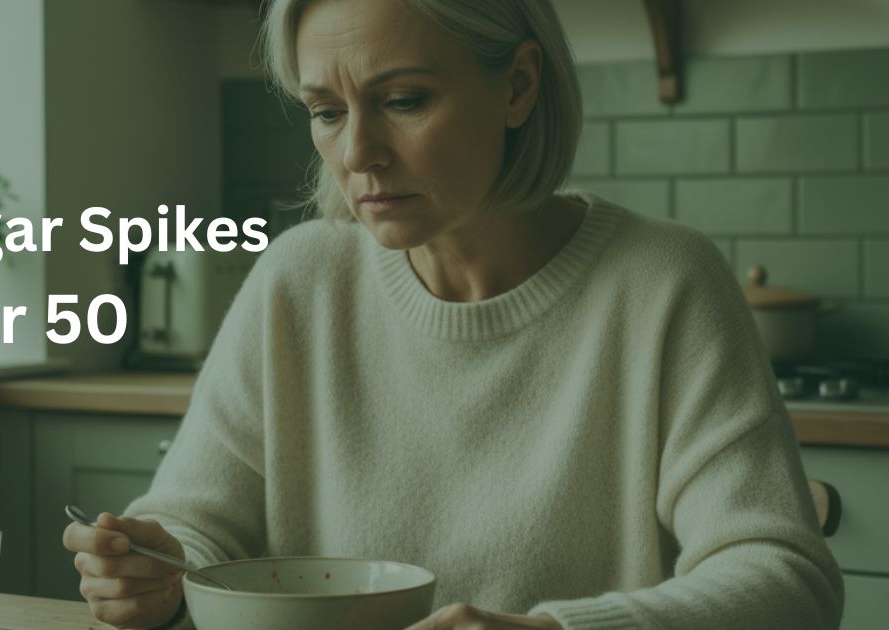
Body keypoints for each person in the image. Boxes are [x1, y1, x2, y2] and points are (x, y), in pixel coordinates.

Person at [63, 0, 845, 628]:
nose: (359, 152)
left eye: (403, 100)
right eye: (326, 111)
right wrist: (150, 570)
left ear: (518, 86)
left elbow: (786, 580)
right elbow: (194, 525)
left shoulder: (664, 284)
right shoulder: (299, 280)